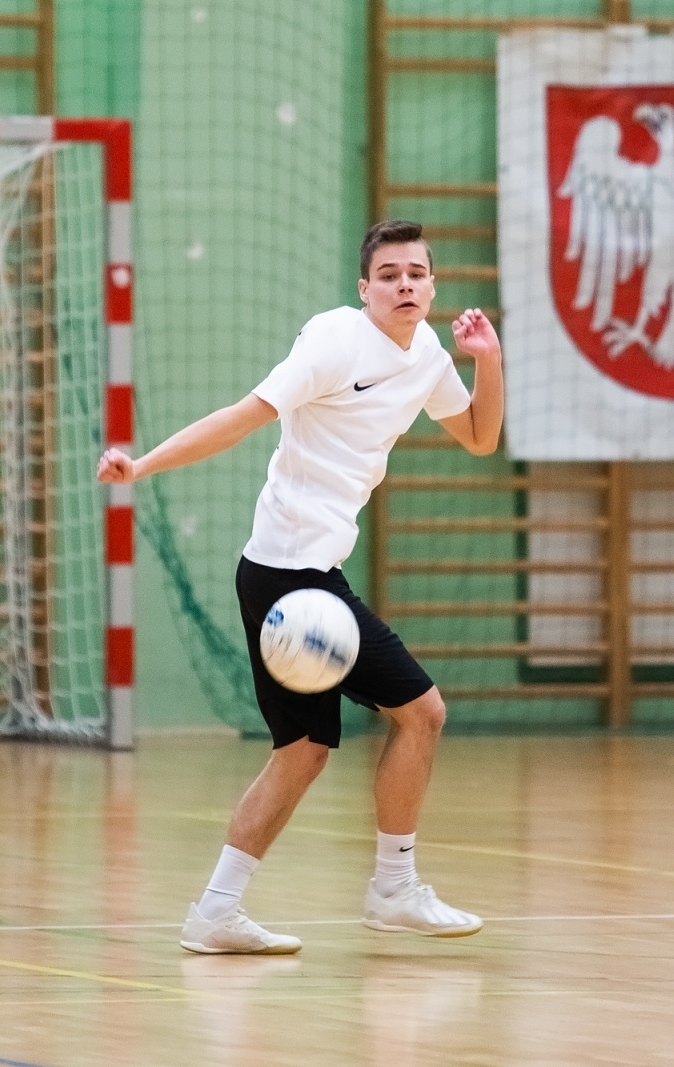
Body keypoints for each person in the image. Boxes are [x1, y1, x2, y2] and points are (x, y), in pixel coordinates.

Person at [97, 220, 503, 954]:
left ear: (433, 286)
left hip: (299, 571)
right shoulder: (334, 341)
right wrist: (144, 465)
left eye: (416, 272)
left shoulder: (430, 355)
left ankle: (217, 909)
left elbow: (480, 435)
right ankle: (393, 887)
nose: (404, 283)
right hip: (291, 576)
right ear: (365, 288)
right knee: (423, 711)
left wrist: (489, 360)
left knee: (305, 748)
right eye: (389, 274)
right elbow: (242, 417)